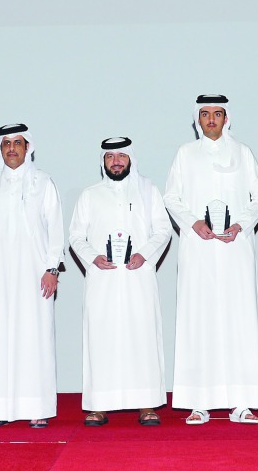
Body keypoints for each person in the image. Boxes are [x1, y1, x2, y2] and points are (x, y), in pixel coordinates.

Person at [163, 95, 258, 425]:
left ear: (227, 118)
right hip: (198, 249)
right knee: (199, 319)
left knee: (239, 319)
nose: (211, 119)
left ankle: (242, 401)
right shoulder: (186, 153)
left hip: (235, 248)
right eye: (206, 114)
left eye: (218, 114)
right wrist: (194, 223)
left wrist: (240, 224)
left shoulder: (242, 152)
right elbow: (171, 197)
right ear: (198, 119)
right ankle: (200, 401)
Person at [68, 137, 172, 427]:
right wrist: (93, 258)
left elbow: (163, 231)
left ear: (131, 159)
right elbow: (76, 235)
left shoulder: (148, 191)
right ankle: (99, 405)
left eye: (121, 156)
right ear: (103, 162)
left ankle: (146, 404)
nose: (116, 161)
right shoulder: (90, 195)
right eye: (110, 157)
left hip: (138, 275)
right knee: (102, 337)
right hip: (102, 278)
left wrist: (145, 254)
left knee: (142, 336)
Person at [0, 123, 64, 428]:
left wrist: (51, 269)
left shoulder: (43, 183)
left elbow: (55, 231)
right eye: (6, 143)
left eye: (17, 143)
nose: (11, 148)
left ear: (27, 148)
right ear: (0, 148)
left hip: (35, 276)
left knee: (34, 338)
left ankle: (36, 407)